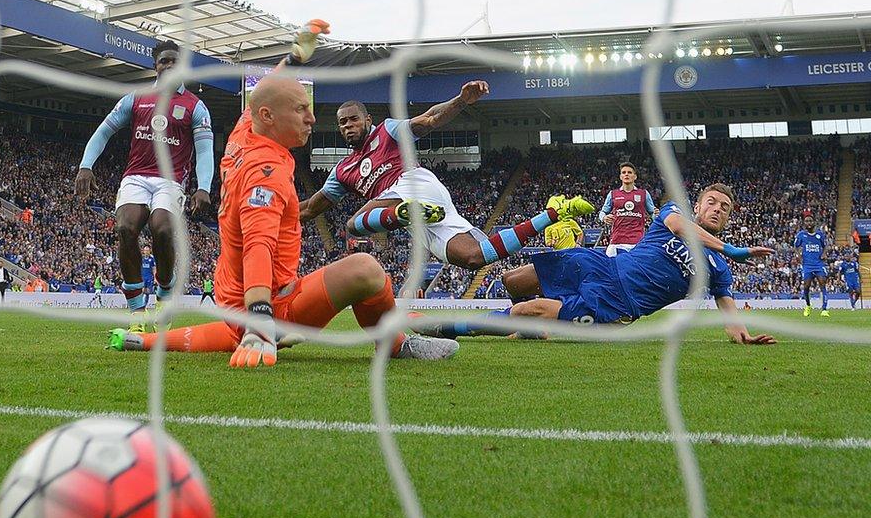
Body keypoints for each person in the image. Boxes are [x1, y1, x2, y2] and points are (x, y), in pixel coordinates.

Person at [108, 20, 458, 368]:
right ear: (269, 117)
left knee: (234, 328)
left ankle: (146, 339)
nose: (311, 118)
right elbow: (258, 246)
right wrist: (260, 316)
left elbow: (265, 93)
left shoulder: (244, 132)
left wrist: (294, 57)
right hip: (270, 305)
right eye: (301, 110)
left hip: (234, 303)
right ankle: (395, 345)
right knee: (366, 270)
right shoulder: (267, 170)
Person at [415, 184, 777, 345]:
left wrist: (742, 335)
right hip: (599, 264)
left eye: (724, 208)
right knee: (514, 280)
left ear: (729, 216)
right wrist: (732, 248)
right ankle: (529, 327)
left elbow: (731, 316)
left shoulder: (718, 268)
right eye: (711, 202)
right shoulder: (676, 211)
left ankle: (446, 328)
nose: (716, 209)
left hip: (615, 304)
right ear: (698, 206)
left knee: (528, 309)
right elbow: (681, 227)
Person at [298, 87, 593, 270]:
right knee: (475, 257)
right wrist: (268, 214)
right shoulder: (342, 170)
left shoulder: (387, 131)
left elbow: (428, 120)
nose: (347, 125)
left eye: (353, 119)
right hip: (412, 215)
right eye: (342, 122)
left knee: (353, 223)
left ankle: (409, 210)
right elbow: (311, 209)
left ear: (367, 120)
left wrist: (460, 101)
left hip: (413, 183)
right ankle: (553, 213)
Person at [75, 39, 215, 332]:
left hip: (171, 180)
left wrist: (204, 187)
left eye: (175, 62)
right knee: (125, 228)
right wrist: (85, 166)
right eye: (164, 61)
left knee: (162, 229)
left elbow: (204, 151)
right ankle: (137, 311)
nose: (169, 66)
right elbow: (103, 132)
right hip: (136, 176)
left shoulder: (195, 106)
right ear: (155, 65)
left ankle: (165, 294)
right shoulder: (135, 99)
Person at [597, 162, 657, 257]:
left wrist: (656, 215)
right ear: (620, 176)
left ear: (635, 176)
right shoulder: (613, 194)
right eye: (624, 172)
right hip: (616, 241)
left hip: (637, 242)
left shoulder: (643, 194)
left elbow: (653, 213)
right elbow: (602, 212)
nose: (626, 174)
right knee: (610, 269)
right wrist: (604, 217)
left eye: (629, 172)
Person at [793, 211, 829, 317]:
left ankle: (824, 309)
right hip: (807, 265)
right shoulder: (801, 235)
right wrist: (798, 255)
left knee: (822, 283)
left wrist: (824, 253)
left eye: (810, 220)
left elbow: (825, 246)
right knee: (806, 286)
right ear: (804, 223)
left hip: (818, 264)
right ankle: (808, 306)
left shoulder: (820, 235)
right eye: (806, 221)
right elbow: (795, 246)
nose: (808, 222)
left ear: (814, 222)